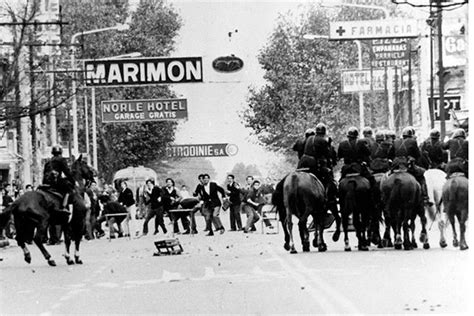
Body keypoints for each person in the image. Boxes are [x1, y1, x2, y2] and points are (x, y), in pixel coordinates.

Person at [392, 126, 430, 205]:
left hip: (396, 166)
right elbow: (417, 155)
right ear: (411, 135)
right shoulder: (413, 141)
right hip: (407, 165)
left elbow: (390, 154)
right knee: (422, 175)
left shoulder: (395, 141)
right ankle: (425, 196)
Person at [42, 145, 75, 218]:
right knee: (68, 190)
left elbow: (44, 173)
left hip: (46, 182)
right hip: (56, 182)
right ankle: (64, 206)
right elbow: (67, 172)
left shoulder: (48, 161)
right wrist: (73, 181)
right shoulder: (61, 160)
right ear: (60, 152)